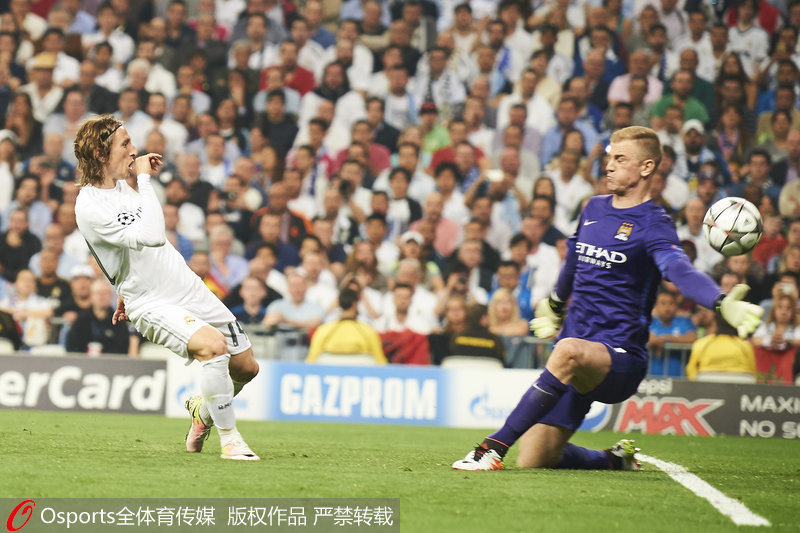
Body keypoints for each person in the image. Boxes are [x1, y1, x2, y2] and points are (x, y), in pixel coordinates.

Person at [453, 126, 764, 471]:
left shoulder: (655, 224)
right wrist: (556, 304)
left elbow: (679, 270)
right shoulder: (593, 208)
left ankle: (490, 449)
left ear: (646, 167)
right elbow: (574, 258)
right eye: (608, 157)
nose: (609, 166)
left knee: (567, 350)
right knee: (536, 459)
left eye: (620, 159)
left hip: (619, 358)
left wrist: (721, 302)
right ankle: (613, 459)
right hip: (575, 351)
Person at [72, 115, 260, 461]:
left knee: (247, 367)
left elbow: (122, 251)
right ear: (101, 154)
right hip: (152, 302)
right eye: (125, 144)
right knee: (213, 348)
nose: (134, 151)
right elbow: (154, 237)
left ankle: (202, 413)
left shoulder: (119, 187)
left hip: (187, 285)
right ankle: (231, 441)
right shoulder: (89, 205)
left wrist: (120, 289)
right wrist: (145, 179)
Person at [306, 288, 386, 364]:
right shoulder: (368, 331)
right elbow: (380, 361)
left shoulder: (323, 330)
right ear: (355, 304)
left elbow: (311, 360)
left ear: (339, 303)